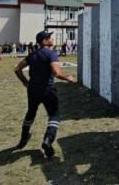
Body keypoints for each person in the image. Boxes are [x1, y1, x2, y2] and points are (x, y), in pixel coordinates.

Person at [13, 30, 75, 158]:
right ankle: (48, 139)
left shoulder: (32, 55)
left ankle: (23, 139)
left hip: (33, 89)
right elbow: (56, 72)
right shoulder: (51, 54)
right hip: (47, 89)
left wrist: (26, 83)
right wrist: (67, 77)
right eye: (49, 37)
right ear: (44, 41)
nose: (52, 39)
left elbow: (17, 69)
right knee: (54, 115)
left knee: (30, 113)